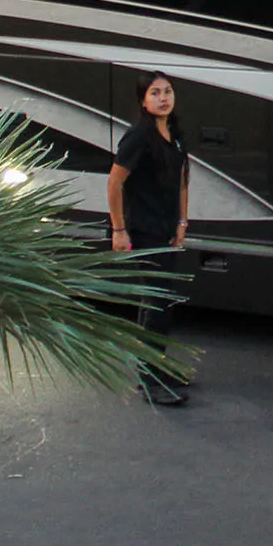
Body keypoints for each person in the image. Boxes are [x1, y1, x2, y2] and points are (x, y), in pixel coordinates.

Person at [107, 73, 192, 405]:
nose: (163, 98)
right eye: (155, 93)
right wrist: (118, 229)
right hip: (144, 229)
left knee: (163, 301)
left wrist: (182, 221)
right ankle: (149, 378)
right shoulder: (138, 137)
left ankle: (157, 365)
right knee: (154, 303)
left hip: (168, 227)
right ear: (143, 100)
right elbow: (115, 184)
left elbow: (183, 178)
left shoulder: (175, 133)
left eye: (168, 91)